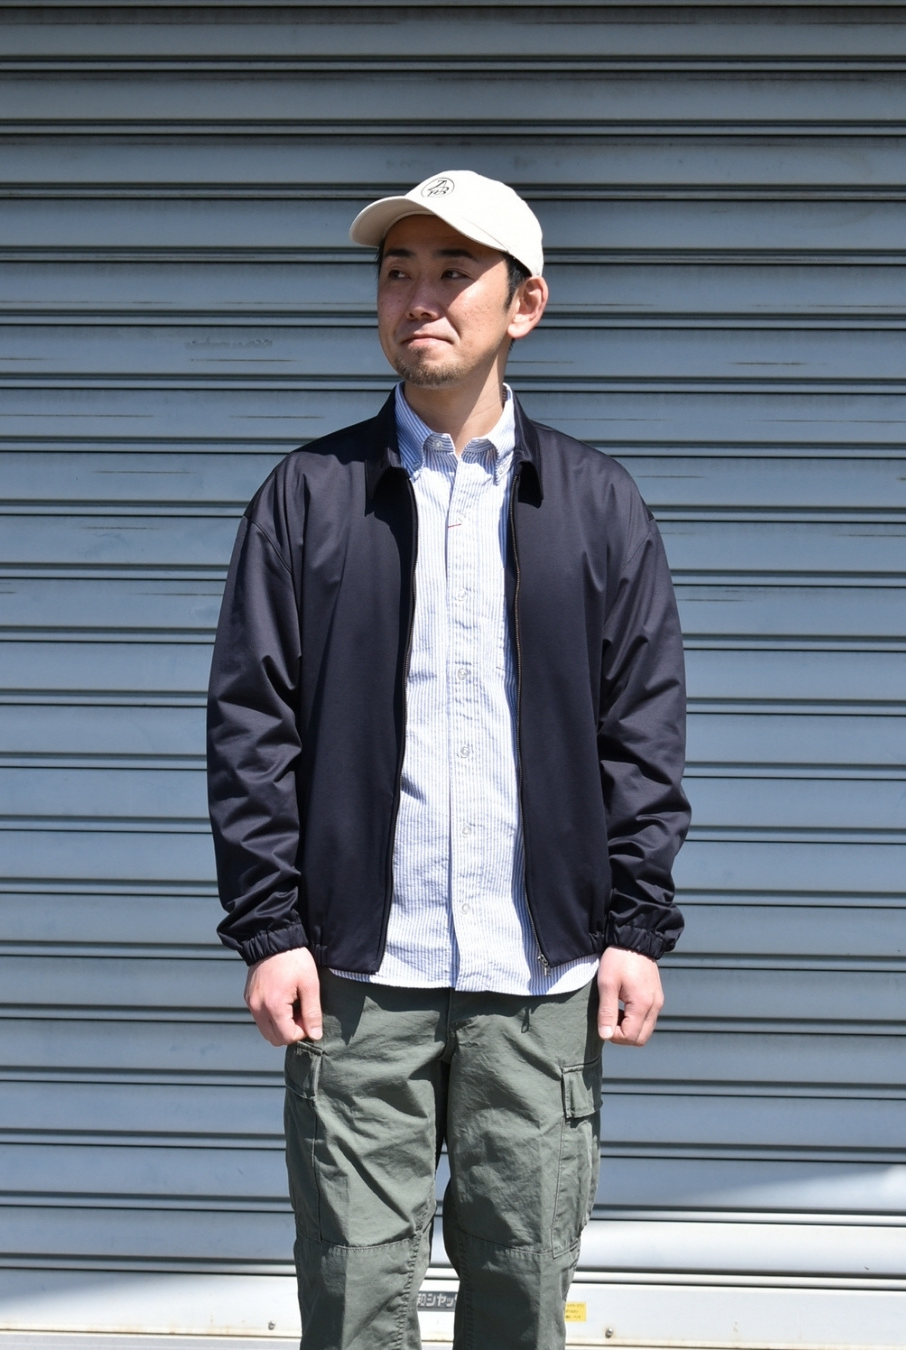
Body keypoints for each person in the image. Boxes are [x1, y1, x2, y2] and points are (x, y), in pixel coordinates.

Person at [206, 169, 691, 1350]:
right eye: (397, 274)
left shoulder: (596, 504)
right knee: (353, 1300)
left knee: (522, 1295)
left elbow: (642, 730)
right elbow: (252, 723)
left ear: (525, 304)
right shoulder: (310, 497)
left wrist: (637, 926)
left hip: (541, 979)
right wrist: (270, 931)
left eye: (452, 273)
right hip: (358, 975)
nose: (419, 299)